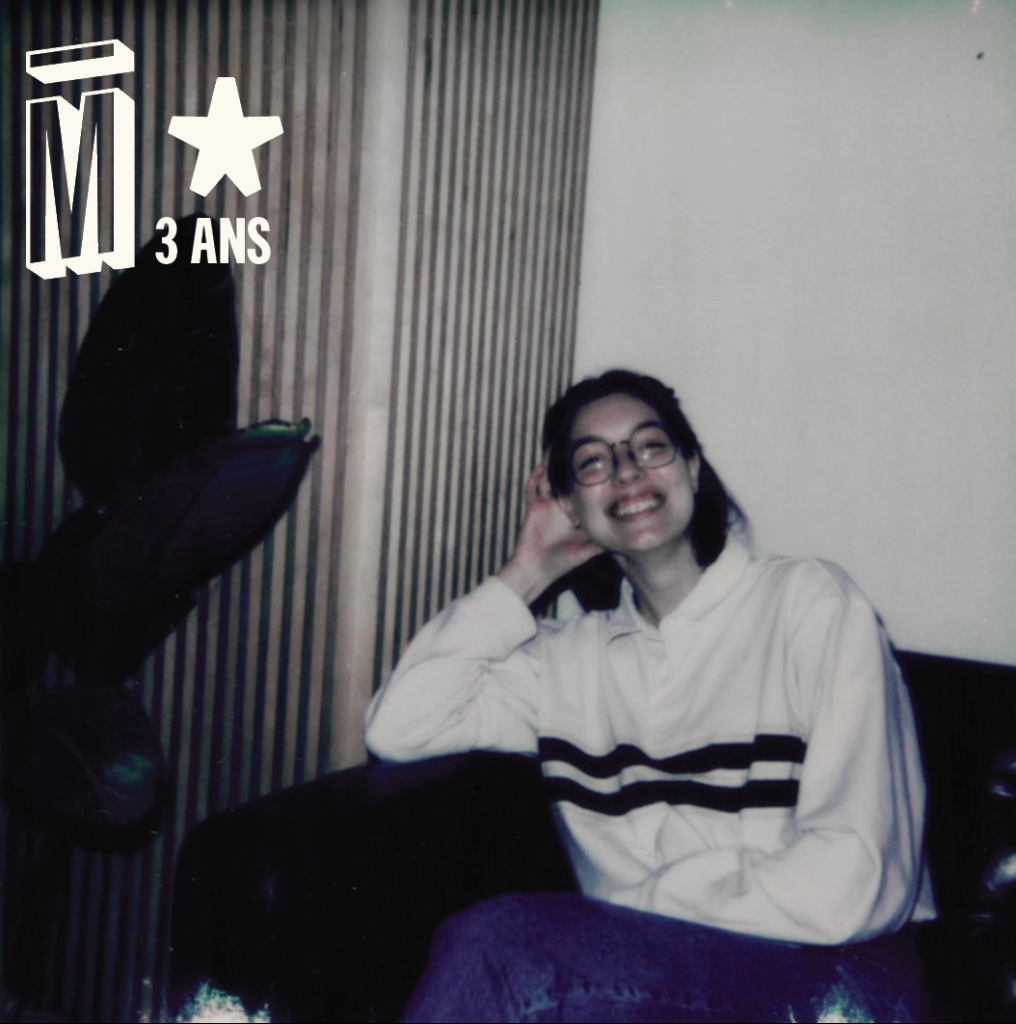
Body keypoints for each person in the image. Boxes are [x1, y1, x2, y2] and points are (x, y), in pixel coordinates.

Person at [365, 369, 936, 1023]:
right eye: (593, 462)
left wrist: (626, 909)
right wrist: (530, 568)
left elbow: (854, 880)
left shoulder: (810, 604)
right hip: (648, 979)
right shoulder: (566, 659)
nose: (627, 471)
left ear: (691, 467)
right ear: (568, 505)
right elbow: (399, 726)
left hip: (840, 984)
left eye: (650, 446)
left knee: (500, 949)